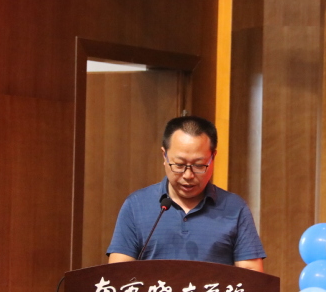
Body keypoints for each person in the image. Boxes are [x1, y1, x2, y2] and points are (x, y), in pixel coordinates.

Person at [107, 115, 265, 271]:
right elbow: (118, 273)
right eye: (179, 164)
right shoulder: (136, 206)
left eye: (199, 165)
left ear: (213, 157)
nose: (188, 175)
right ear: (164, 156)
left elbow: (251, 274)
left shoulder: (235, 208)